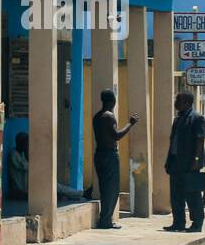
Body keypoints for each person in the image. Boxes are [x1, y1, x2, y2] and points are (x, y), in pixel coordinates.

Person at [91, 88, 138, 230]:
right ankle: (106, 220)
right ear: (113, 101)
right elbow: (116, 135)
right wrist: (130, 124)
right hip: (109, 155)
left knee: (106, 188)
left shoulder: (97, 116)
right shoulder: (108, 116)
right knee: (111, 189)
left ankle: (106, 219)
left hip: (100, 154)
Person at [164, 90, 205, 232]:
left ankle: (197, 223)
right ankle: (178, 223)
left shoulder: (197, 118)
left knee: (192, 194)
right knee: (176, 195)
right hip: (176, 162)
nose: (176, 103)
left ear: (187, 103)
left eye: (178, 100)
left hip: (190, 164)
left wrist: (196, 159)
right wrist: (169, 160)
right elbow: (173, 142)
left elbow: (200, 139)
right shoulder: (178, 119)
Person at [8, 132, 88, 201]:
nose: (28, 145)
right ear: (20, 143)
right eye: (26, 143)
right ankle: (81, 194)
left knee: (57, 188)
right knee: (55, 187)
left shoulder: (21, 154)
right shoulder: (14, 155)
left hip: (30, 185)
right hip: (22, 187)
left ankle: (80, 194)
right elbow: (30, 167)